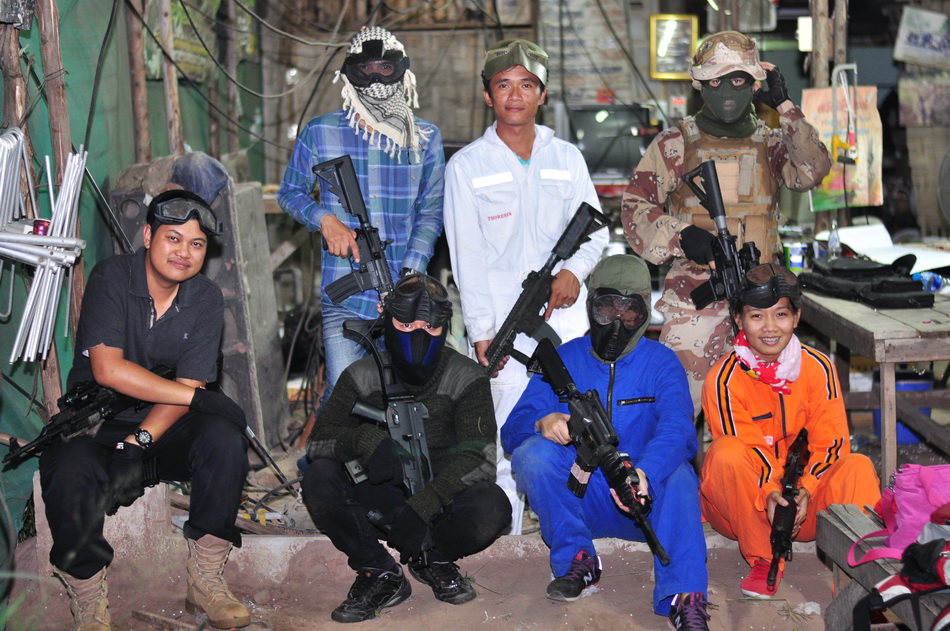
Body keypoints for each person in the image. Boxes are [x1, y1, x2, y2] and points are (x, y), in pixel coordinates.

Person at [39, 190, 252, 630]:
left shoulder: (205, 297)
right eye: (174, 238)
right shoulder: (112, 277)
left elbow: (186, 389)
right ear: (149, 235)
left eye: (196, 244)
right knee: (67, 466)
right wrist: (197, 399)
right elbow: (109, 369)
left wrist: (138, 443)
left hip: (161, 428)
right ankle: (87, 597)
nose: (184, 252)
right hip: (99, 426)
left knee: (223, 439)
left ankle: (206, 580)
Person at [443, 38, 607, 534]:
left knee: (581, 425)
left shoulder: (567, 158)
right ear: (488, 95)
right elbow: (466, 257)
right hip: (503, 326)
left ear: (543, 94)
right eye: (504, 85)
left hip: (566, 322)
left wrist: (573, 271)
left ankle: (578, 537)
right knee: (505, 438)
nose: (515, 95)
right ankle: (509, 543)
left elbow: (596, 233)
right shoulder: (466, 166)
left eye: (527, 85)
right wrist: (481, 331)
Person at [621, 30, 832, 412]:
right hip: (694, 300)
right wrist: (682, 235)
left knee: (763, 414)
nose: (728, 92)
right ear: (700, 85)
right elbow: (635, 207)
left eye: (738, 80)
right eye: (716, 82)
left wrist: (786, 107)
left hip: (762, 303)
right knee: (678, 412)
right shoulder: (674, 144)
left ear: (754, 83)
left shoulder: (772, 143)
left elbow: (812, 170)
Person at [502, 255, 711, 631]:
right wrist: (542, 421)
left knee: (679, 475)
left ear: (644, 313)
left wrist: (645, 472)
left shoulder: (662, 362)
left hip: (644, 501)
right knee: (533, 454)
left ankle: (684, 595)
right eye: (607, 308)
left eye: (629, 312)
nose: (617, 321)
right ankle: (577, 561)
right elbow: (511, 431)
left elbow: (679, 429)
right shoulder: (564, 358)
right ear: (590, 305)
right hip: (581, 502)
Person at [301, 273, 511, 624]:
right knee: (319, 477)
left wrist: (424, 505)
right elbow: (318, 442)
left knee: (492, 506)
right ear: (388, 321)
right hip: (380, 496)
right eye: (406, 324)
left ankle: (433, 558)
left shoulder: (467, 376)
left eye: (430, 327)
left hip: (441, 497)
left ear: (444, 327)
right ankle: (379, 571)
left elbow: (480, 459)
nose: (418, 334)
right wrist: (364, 440)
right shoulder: (362, 374)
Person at [277, 25, 444, 406]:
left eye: (386, 68)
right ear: (349, 74)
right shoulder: (320, 132)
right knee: (345, 400)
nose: (375, 78)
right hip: (345, 298)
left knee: (405, 399)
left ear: (402, 71)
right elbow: (289, 192)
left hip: (406, 299)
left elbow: (431, 212)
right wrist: (325, 219)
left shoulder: (424, 138)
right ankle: (323, 445)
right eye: (365, 69)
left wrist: (410, 275)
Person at [700, 263, 881, 598]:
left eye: (781, 314)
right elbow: (747, 446)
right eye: (756, 316)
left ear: (796, 317)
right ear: (738, 319)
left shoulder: (818, 367)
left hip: (806, 508)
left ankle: (865, 578)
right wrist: (772, 493)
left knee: (858, 466)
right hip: (746, 509)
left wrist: (807, 490)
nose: (770, 327)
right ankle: (764, 558)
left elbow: (832, 442)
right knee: (726, 453)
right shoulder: (724, 379)